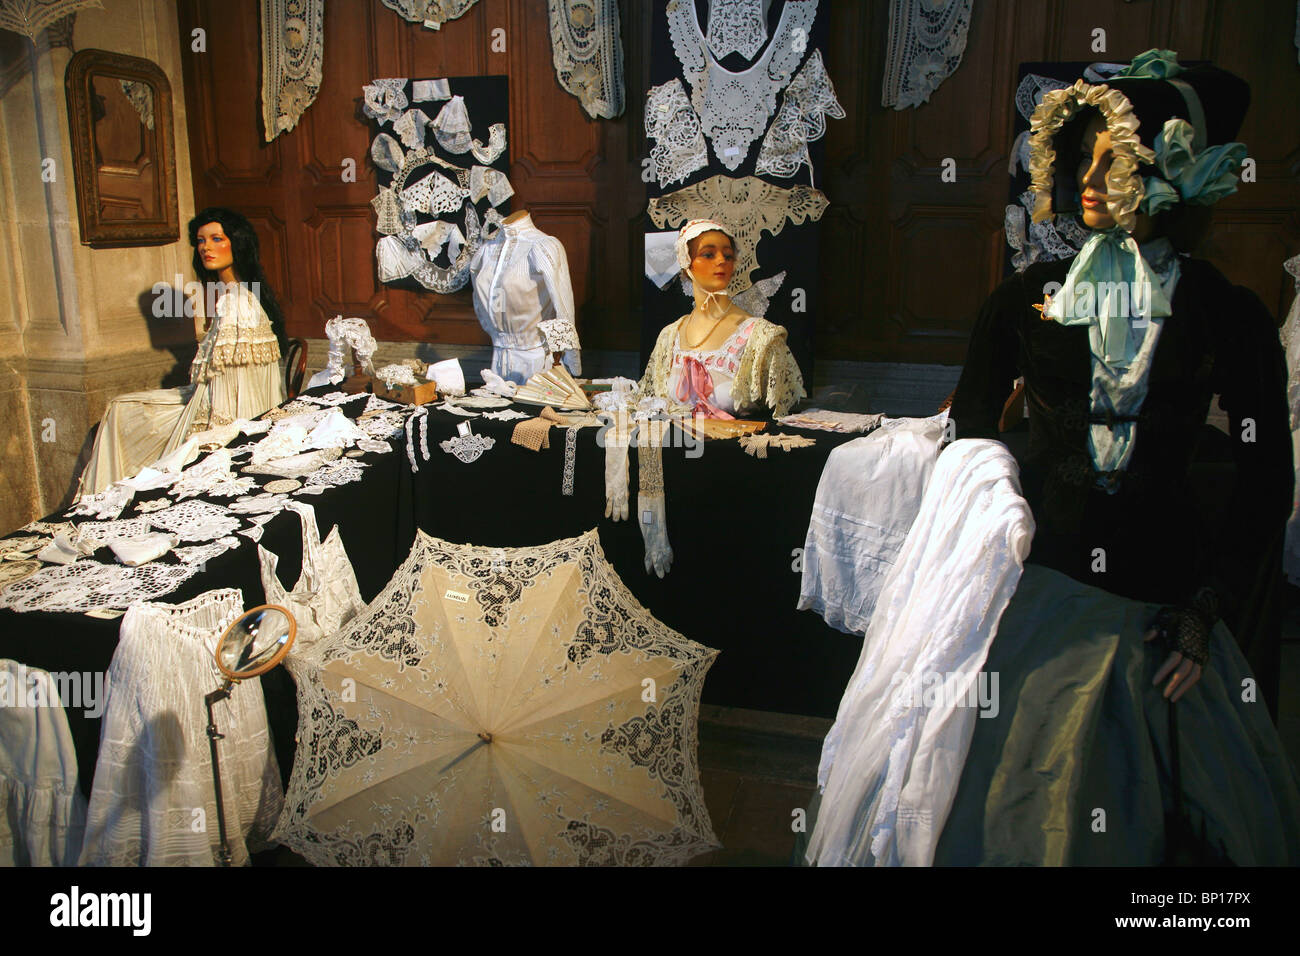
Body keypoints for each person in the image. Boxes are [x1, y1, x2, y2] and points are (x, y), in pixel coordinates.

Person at [930, 50, 1300, 864]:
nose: (1086, 179)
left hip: (1165, 604)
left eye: (1117, 159)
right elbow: (971, 439)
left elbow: (1267, 473)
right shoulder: (1024, 299)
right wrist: (987, 556)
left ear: (1174, 171)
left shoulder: (1224, 315)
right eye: (1083, 156)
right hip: (1042, 592)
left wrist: (1208, 610)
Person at [78, 208, 287, 496]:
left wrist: (206, 442)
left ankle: (107, 502)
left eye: (216, 239)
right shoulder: (239, 296)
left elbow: (235, 397)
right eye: (201, 241)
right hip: (208, 401)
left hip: (226, 420)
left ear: (237, 243)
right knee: (123, 406)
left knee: (121, 413)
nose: (206, 248)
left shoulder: (236, 304)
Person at [639, 219, 806, 418]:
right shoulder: (669, 337)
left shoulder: (759, 337)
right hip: (676, 446)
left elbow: (782, 416)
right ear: (685, 263)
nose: (721, 261)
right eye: (708, 254)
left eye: (728, 255)